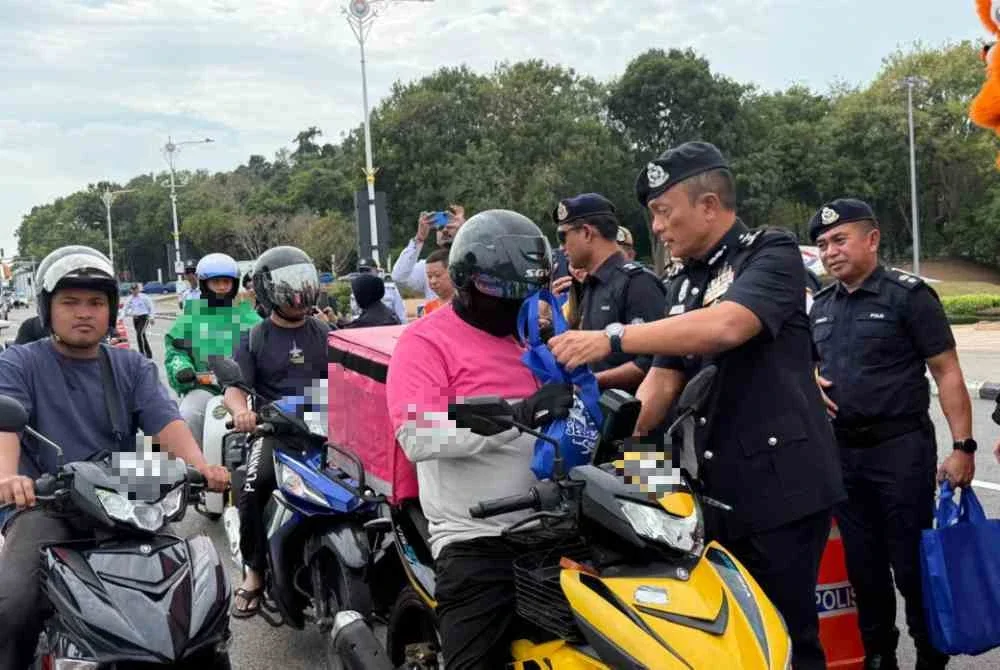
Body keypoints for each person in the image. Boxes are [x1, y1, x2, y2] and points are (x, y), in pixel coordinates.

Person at [549, 141, 845, 670]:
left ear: (708, 205)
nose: (656, 228)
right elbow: (661, 383)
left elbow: (727, 325)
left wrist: (613, 339)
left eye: (663, 212)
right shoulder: (682, 282)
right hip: (709, 489)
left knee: (781, 636)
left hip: (781, 489)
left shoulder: (768, 252)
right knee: (717, 639)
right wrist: (599, 462)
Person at [0, 245, 229, 669]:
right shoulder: (19, 362)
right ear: (48, 309)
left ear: (111, 310)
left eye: (95, 302)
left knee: (194, 604)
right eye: (70, 302)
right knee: (13, 602)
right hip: (45, 503)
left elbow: (168, 424)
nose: (83, 312)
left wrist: (201, 467)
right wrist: (7, 478)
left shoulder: (132, 367)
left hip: (125, 494)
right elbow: (5, 426)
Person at [386, 210, 574, 669]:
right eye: (502, 297)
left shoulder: (542, 340)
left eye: (526, 297)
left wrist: (655, 468)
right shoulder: (425, 342)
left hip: (560, 526)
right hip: (478, 541)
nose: (515, 309)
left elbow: (594, 410)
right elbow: (418, 434)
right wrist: (516, 416)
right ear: (464, 284)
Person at [809, 198, 975, 670]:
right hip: (844, 457)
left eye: (839, 240)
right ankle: (879, 656)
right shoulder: (820, 306)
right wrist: (808, 378)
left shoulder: (908, 296)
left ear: (872, 239)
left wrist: (963, 447)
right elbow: (806, 364)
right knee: (863, 573)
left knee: (911, 568)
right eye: (823, 244)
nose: (830, 252)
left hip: (900, 452)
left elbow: (946, 372)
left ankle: (930, 655)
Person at [222, 246, 333, 617]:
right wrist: (241, 412)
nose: (298, 292)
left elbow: (353, 377)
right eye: (288, 285)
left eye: (302, 281)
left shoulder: (326, 332)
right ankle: (254, 572)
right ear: (268, 291)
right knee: (252, 489)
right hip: (276, 432)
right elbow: (235, 388)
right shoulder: (255, 339)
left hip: (327, 431)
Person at [552, 193, 666, 392]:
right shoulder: (592, 284)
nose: (562, 247)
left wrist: (590, 382)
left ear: (587, 233)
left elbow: (655, 363)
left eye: (563, 236)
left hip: (636, 416)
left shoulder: (637, 283)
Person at [164, 253, 261, 447]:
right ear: (203, 284)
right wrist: (182, 370)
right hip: (206, 389)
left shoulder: (251, 318)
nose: (222, 287)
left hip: (247, 391)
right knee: (188, 415)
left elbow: (268, 351)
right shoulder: (190, 319)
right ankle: (192, 468)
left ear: (235, 283)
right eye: (216, 282)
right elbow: (176, 353)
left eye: (226, 281)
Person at [391, 204, 466, 299]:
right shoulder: (428, 267)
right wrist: (418, 239)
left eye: (450, 226)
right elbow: (399, 277)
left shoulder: (470, 261)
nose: (445, 230)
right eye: (440, 227)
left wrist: (466, 231)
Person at [354, 258, 406, 323]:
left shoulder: (390, 289)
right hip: (365, 329)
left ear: (376, 271)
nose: (364, 274)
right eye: (361, 271)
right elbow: (355, 316)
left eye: (367, 271)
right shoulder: (357, 291)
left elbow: (401, 316)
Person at [122, 283, 154, 358]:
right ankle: (149, 353)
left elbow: (151, 307)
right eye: (133, 290)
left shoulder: (144, 297)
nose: (134, 291)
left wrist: (152, 317)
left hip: (144, 318)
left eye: (136, 289)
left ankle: (142, 354)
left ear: (138, 289)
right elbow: (125, 309)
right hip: (136, 319)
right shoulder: (129, 299)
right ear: (131, 290)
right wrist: (120, 318)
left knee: (139, 335)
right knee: (142, 336)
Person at [421, 249, 454, 315]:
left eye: (437, 275)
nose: (433, 281)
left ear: (452, 273)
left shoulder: (466, 306)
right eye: (429, 276)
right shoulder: (428, 309)